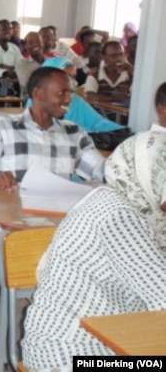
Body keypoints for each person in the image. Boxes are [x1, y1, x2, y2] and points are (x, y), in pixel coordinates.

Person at [21, 131, 166, 370]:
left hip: (103, 342)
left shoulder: (122, 200)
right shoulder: (118, 217)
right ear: (148, 178)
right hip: (69, 358)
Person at [0, 67, 106, 188]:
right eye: (61, 93)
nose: (69, 99)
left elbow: (101, 170)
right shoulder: (4, 127)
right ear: (38, 94)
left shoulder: (74, 133)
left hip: (56, 214)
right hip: (10, 213)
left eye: (70, 93)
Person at [39, 57, 125, 134]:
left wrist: (124, 132)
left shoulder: (75, 101)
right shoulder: (37, 103)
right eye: (67, 77)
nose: (73, 82)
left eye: (73, 77)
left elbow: (98, 122)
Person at [16, 31, 48, 97]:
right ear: (26, 47)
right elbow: (28, 85)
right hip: (31, 99)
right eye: (31, 43)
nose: (35, 44)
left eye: (38, 41)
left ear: (42, 44)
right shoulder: (22, 64)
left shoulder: (52, 61)